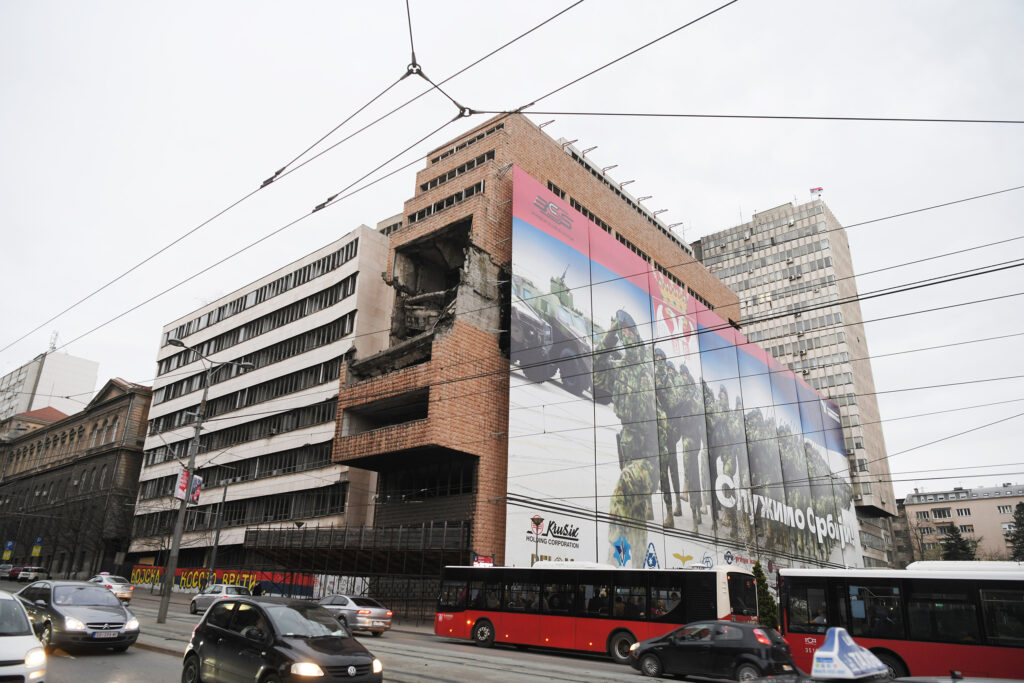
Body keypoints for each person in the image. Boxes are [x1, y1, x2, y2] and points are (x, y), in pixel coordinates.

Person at [595, 309, 659, 566]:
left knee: (621, 493)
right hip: (630, 450)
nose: (626, 336)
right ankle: (637, 575)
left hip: (650, 456)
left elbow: (637, 350)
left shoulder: (646, 364)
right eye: (623, 333)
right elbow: (597, 366)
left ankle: (610, 567)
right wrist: (611, 335)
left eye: (628, 332)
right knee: (635, 518)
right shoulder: (620, 370)